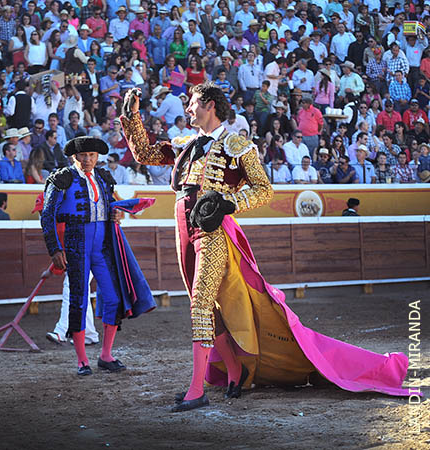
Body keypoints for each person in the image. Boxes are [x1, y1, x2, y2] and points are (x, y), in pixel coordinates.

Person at [121, 83, 410, 413]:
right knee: (204, 306)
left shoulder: (237, 145)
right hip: (183, 224)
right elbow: (144, 154)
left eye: (193, 102)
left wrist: (228, 203)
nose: (188, 108)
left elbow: (263, 189)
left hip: (212, 230)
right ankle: (235, 370)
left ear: (210, 105)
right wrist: (131, 117)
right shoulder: (185, 144)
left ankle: (196, 389)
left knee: (200, 303)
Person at [40, 136, 155, 376]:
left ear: (97, 157)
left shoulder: (103, 177)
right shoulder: (62, 179)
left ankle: (106, 355)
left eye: (92, 155)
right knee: (78, 300)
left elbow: (110, 205)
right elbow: (47, 215)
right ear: (74, 157)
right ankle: (82, 360)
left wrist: (116, 214)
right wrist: (55, 249)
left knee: (113, 298)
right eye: (83, 155)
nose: (87, 160)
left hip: (102, 246)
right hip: (76, 244)